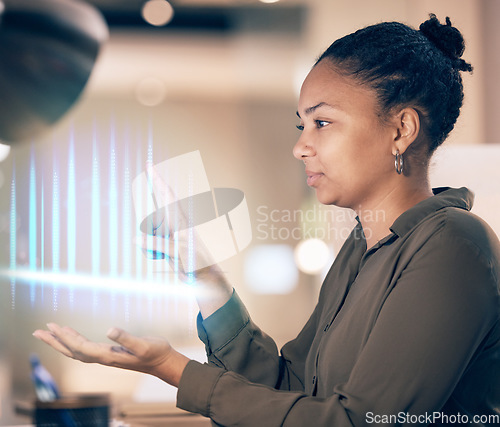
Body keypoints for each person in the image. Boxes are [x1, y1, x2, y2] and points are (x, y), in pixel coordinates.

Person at [34, 14, 500, 426]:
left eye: (322, 122)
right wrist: (205, 275)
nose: (300, 146)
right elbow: (291, 387)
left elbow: (358, 421)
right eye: (302, 125)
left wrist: (174, 369)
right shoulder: (363, 247)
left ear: (401, 129)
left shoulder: (453, 246)